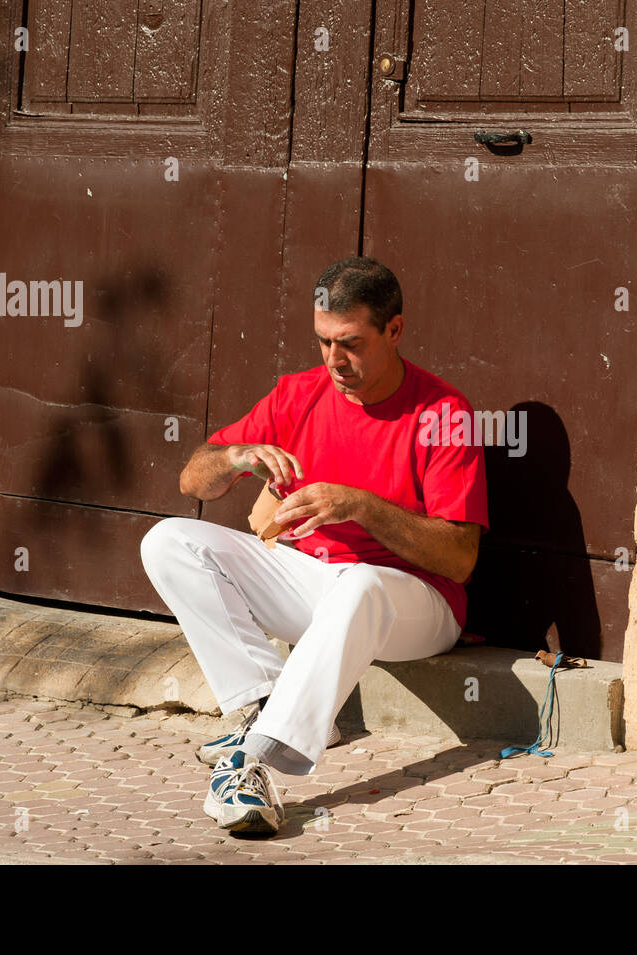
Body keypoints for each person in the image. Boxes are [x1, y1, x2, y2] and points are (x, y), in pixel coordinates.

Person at [139, 256, 489, 835]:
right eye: (324, 341)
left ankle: (253, 761)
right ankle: (261, 703)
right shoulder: (297, 394)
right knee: (170, 540)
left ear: (394, 330)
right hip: (312, 582)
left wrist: (361, 506)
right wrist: (236, 459)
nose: (333, 360)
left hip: (414, 604)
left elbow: (460, 558)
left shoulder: (444, 413)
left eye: (350, 343)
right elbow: (191, 481)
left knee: (362, 584)